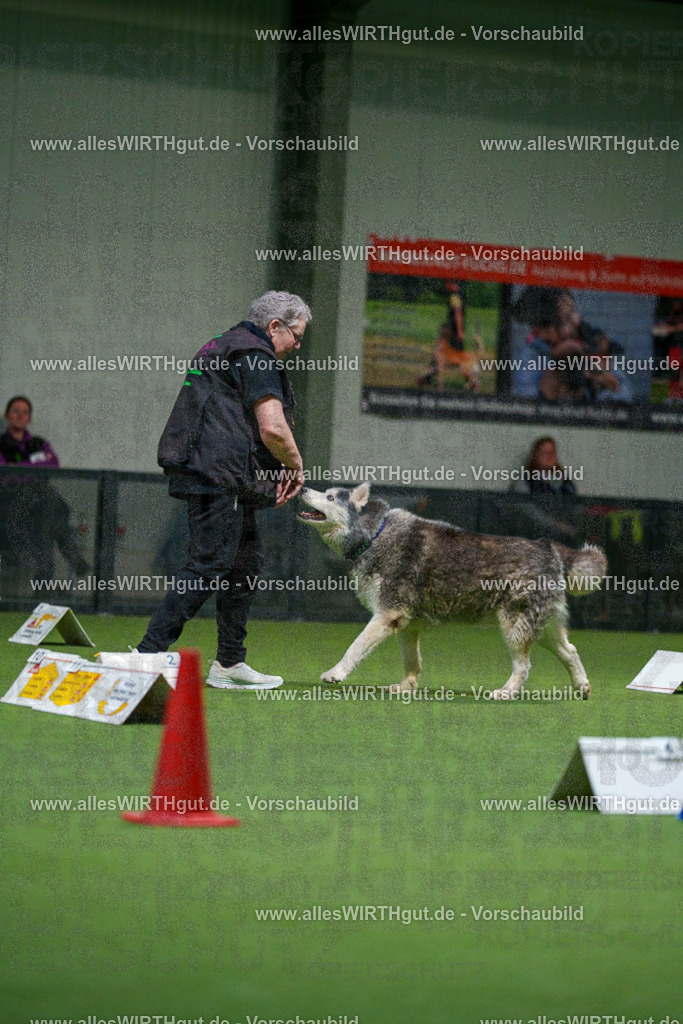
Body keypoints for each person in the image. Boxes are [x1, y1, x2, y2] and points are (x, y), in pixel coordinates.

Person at [135, 291, 311, 690]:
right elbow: (272, 426)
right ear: (274, 327)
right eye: (296, 337)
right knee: (209, 563)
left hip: (210, 469)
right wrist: (295, 465)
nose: (297, 347)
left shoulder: (222, 344)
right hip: (220, 474)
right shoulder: (256, 354)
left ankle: (230, 663)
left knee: (244, 563)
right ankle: (146, 656)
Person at [0, 396, 89, 586]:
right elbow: (6, 474)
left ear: (29, 418)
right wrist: (33, 464)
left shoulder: (37, 443)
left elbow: (52, 464)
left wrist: (18, 465)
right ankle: (72, 556)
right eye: (15, 411)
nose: (20, 416)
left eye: (25, 412)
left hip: (38, 507)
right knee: (49, 506)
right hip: (11, 505)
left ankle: (44, 582)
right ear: (7, 416)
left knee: (45, 523)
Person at [511, 287, 632, 403]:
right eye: (566, 320)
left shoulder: (591, 343)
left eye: (574, 311)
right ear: (541, 331)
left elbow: (624, 395)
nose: (576, 320)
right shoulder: (532, 358)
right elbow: (527, 405)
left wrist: (599, 383)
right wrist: (557, 364)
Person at [508, 436, 581, 544]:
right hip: (533, 539)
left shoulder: (564, 481)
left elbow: (576, 505)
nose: (549, 456)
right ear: (535, 456)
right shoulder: (524, 480)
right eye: (544, 453)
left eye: (552, 452)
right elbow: (526, 510)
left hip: (564, 540)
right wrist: (554, 525)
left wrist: (570, 525)